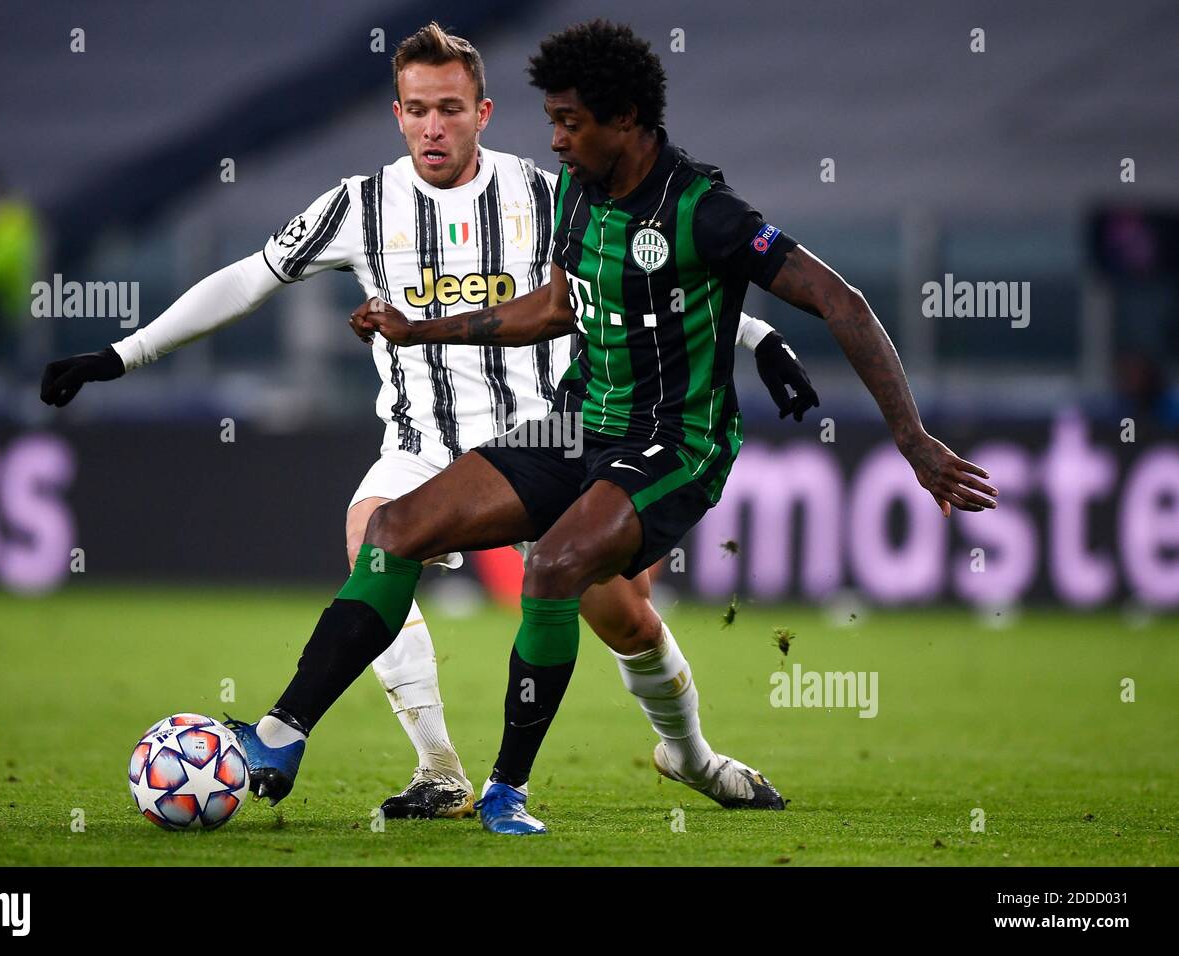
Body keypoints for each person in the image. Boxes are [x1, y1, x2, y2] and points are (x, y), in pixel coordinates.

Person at [231, 20, 998, 835]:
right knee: (393, 529)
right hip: (576, 424)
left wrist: (911, 439)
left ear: (626, 118)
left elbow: (844, 302)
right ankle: (282, 732)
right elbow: (559, 306)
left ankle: (504, 791)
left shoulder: (705, 210)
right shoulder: (580, 189)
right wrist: (424, 329)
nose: (555, 139)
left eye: (571, 122)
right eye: (553, 119)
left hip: (674, 443)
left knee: (555, 566)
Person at [39, 22, 819, 822]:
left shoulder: (550, 189)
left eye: (449, 108)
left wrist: (759, 338)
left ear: (482, 112)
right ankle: (438, 768)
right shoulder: (358, 205)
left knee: (622, 614)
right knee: (372, 538)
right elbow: (245, 281)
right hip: (420, 445)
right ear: (397, 113)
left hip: (548, 439)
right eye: (416, 109)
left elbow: (643, 289)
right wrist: (122, 354)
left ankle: (691, 757)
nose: (432, 126)